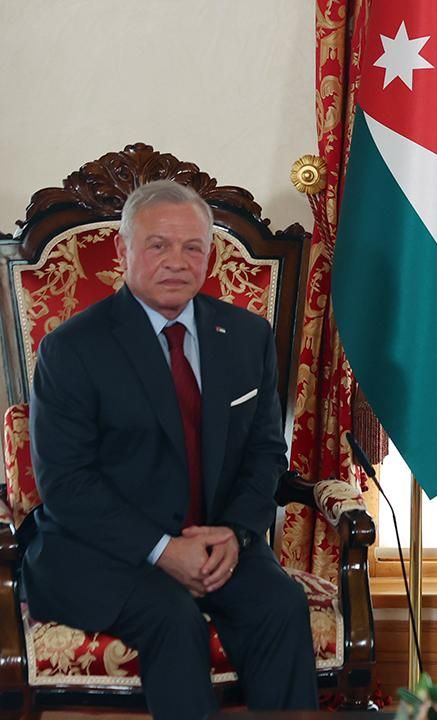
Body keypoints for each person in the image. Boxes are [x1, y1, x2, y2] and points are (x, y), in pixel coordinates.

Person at [22, 180, 318, 719]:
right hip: (100, 552)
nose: (176, 261)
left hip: (215, 539)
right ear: (123, 250)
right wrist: (162, 549)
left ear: (209, 254)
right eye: (158, 245)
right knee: (172, 618)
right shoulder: (71, 349)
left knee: (279, 605)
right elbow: (66, 484)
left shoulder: (247, 336)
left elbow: (265, 453)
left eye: (192, 247)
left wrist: (237, 533)